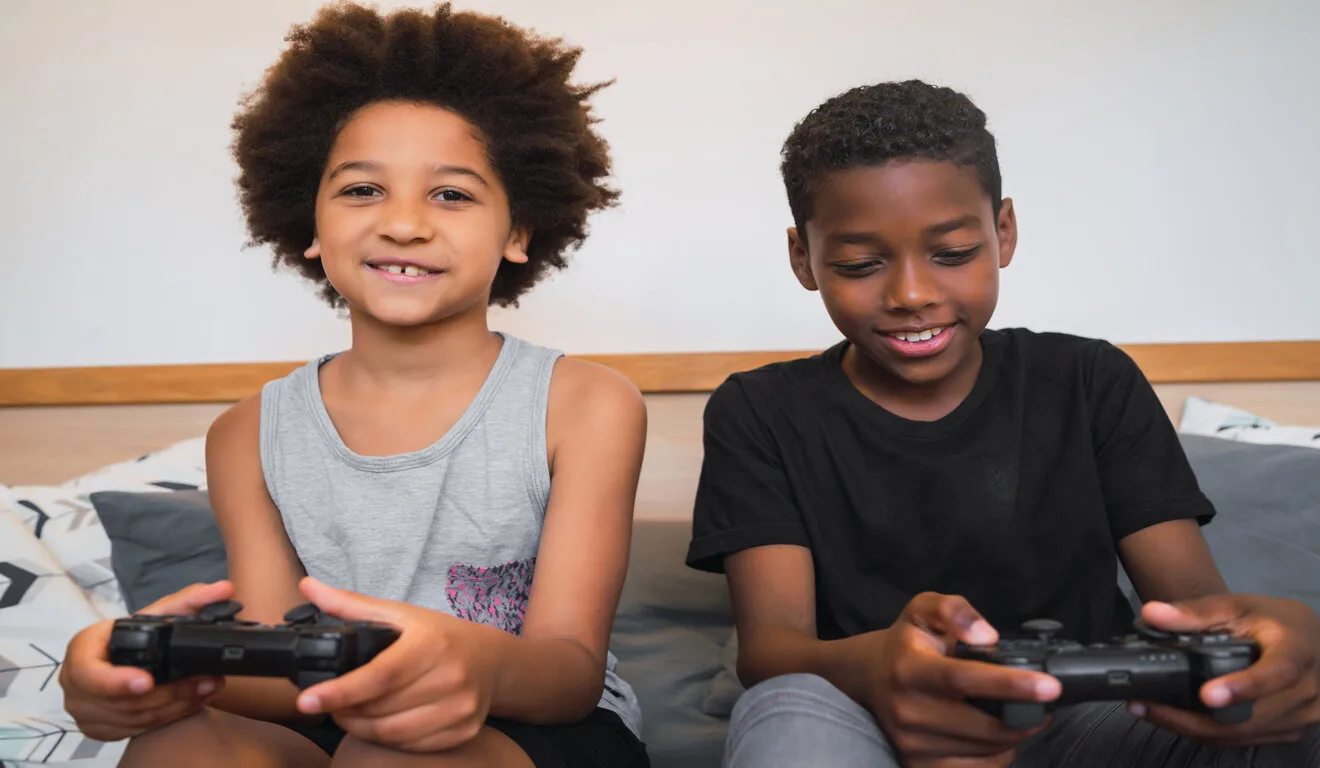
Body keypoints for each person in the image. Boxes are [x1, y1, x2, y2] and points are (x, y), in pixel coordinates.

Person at [58, 3, 651, 766]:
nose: (404, 224)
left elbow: (568, 671)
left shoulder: (585, 404)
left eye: (451, 194)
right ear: (309, 222)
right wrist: (154, 675)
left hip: (533, 719)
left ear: (517, 231)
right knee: (176, 746)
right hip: (333, 710)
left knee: (389, 758)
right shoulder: (246, 434)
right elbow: (277, 681)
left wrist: (457, 657)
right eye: (363, 190)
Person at [685, 79, 1320, 767]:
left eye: (953, 253)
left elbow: (1197, 610)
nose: (912, 295)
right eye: (860, 265)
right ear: (803, 259)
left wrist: (1275, 642)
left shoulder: (1089, 381)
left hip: (1080, 718)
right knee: (782, 710)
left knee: (1258, 716)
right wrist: (882, 662)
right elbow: (773, 650)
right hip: (870, 716)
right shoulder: (760, 410)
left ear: (1003, 231)